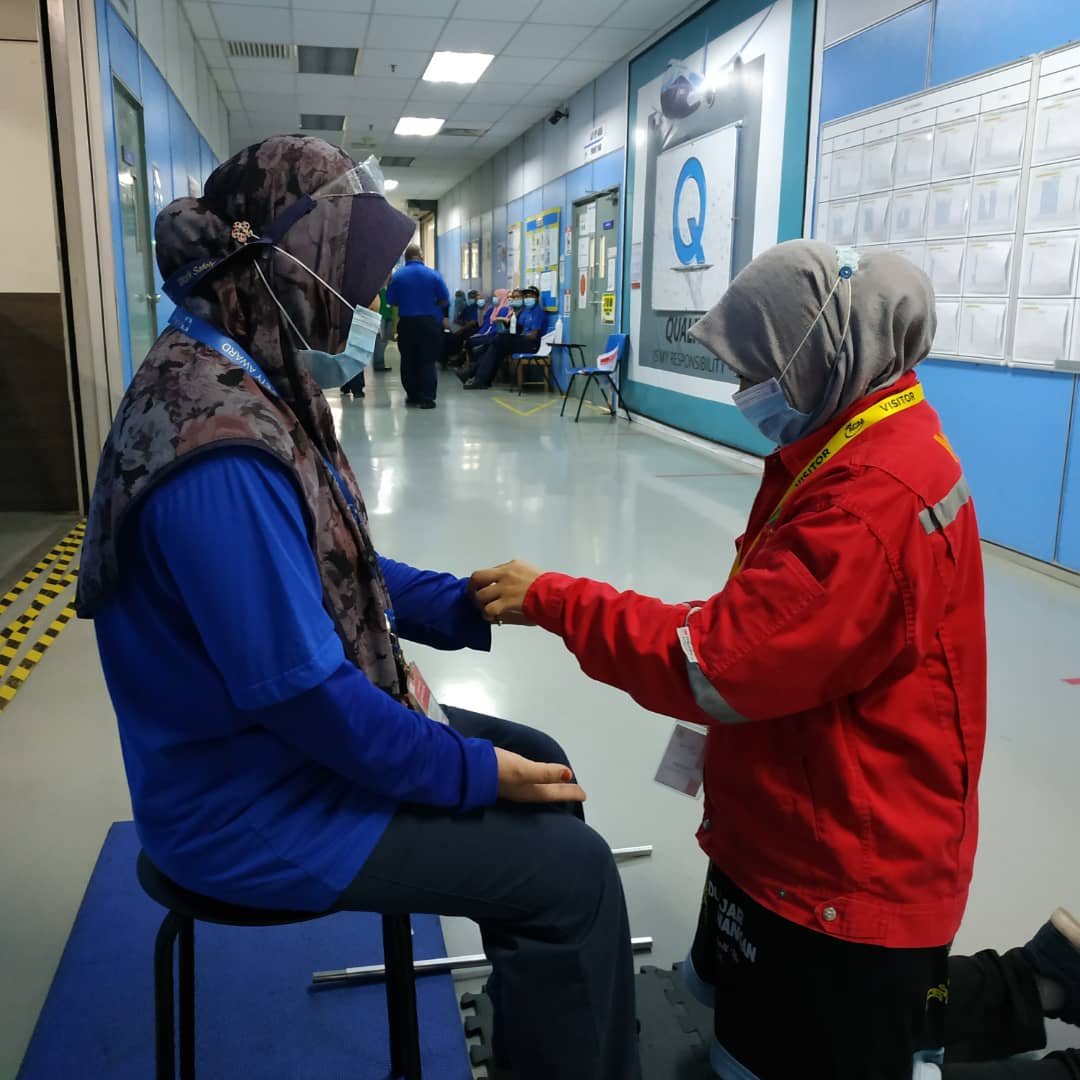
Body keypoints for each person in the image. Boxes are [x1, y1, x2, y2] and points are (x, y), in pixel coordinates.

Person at [74, 135, 641, 1080]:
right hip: (248, 800)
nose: (369, 307)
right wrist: (464, 771)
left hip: (273, 748)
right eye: (356, 284)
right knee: (573, 877)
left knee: (542, 757)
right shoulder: (218, 456)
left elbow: (337, 567)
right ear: (289, 269)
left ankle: (543, 1024)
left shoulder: (240, 372)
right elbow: (307, 699)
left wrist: (467, 603)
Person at [469, 240, 992, 1078]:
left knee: (827, 1047)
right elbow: (766, 625)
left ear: (820, 355)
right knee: (746, 1027)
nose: (746, 389)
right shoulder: (853, 441)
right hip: (796, 798)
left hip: (845, 855)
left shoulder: (870, 504)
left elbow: (714, 663)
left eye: (757, 368)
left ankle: (1029, 995)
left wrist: (557, 601)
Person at [386, 243, 448, 409]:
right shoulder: (434, 275)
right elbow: (444, 298)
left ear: (406, 259)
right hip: (429, 323)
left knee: (408, 360)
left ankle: (413, 396)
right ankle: (427, 398)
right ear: (421, 257)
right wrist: (432, 306)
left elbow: (391, 300)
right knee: (427, 361)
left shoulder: (398, 277)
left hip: (407, 324)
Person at [460, 285, 545, 389]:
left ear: (536, 298)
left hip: (531, 344)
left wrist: (515, 337)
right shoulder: (525, 311)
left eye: (531, 296)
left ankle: (475, 374)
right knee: (496, 348)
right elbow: (518, 327)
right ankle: (482, 379)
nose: (528, 298)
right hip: (521, 340)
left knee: (498, 341)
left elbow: (533, 336)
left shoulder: (538, 312)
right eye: (526, 296)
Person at [444, 289, 482, 367]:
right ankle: (447, 357)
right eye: (469, 297)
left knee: (459, 335)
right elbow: (458, 319)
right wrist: (460, 324)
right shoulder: (468, 307)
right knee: (447, 334)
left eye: (472, 297)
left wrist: (461, 328)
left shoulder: (476, 308)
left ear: (476, 298)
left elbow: (473, 322)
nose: (470, 299)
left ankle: (457, 358)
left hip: (473, 329)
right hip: (463, 326)